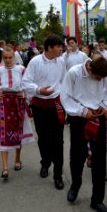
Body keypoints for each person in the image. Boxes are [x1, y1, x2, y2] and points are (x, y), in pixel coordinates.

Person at [61, 56, 107, 212]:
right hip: (79, 116)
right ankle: (75, 185)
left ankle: (97, 199)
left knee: (99, 158)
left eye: (102, 78)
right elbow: (65, 96)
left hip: (98, 116)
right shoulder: (74, 73)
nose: (100, 80)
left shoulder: (103, 73)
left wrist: (106, 105)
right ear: (90, 69)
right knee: (77, 156)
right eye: (98, 77)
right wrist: (82, 111)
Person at [22, 34, 66, 190]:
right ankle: (45, 162)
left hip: (56, 104)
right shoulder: (35, 62)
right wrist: (39, 90)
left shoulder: (61, 61)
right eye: (59, 46)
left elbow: (63, 80)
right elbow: (25, 83)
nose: (62, 49)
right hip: (39, 104)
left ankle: (58, 175)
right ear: (49, 48)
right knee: (43, 138)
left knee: (58, 139)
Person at [0, 47, 34, 179]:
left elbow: (29, 84)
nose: (7, 60)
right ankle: (5, 168)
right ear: (2, 57)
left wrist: (24, 93)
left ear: (14, 57)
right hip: (5, 105)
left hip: (18, 103)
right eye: (5, 58)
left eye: (10, 57)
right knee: (4, 134)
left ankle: (17, 159)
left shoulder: (21, 69)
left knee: (18, 132)